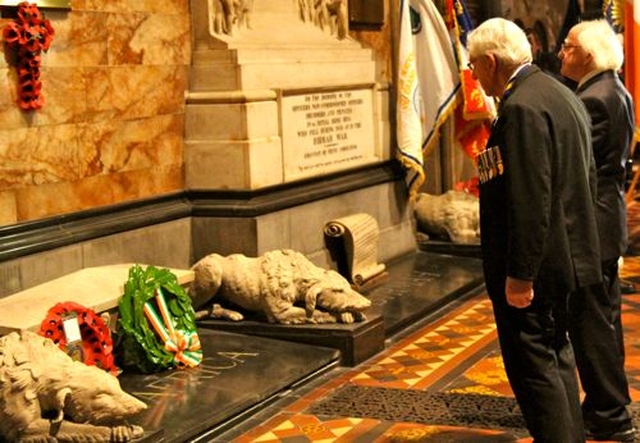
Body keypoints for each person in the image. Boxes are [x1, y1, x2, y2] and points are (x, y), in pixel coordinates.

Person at [467, 18, 602, 442]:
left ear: (492, 61)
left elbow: (530, 196)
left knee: (535, 374)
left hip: (536, 268)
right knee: (556, 356)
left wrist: (520, 275)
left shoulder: (522, 106)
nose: (473, 74)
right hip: (567, 258)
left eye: (474, 65)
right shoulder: (559, 92)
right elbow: (586, 178)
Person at [559, 19, 636, 442]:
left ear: (587, 55)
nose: (561, 53)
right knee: (601, 321)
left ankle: (609, 413)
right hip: (607, 221)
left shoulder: (594, 98)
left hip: (593, 226)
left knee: (591, 324)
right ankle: (609, 406)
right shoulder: (611, 89)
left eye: (568, 47)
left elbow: (579, 170)